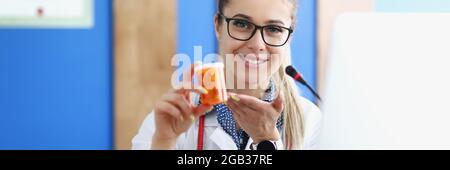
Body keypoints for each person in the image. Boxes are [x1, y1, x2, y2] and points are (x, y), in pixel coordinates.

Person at [132, 0, 322, 150]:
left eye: (274, 29)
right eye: (241, 24)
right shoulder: (172, 118)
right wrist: (164, 142)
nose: (257, 44)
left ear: (289, 37)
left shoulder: (312, 122)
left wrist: (266, 143)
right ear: (218, 26)